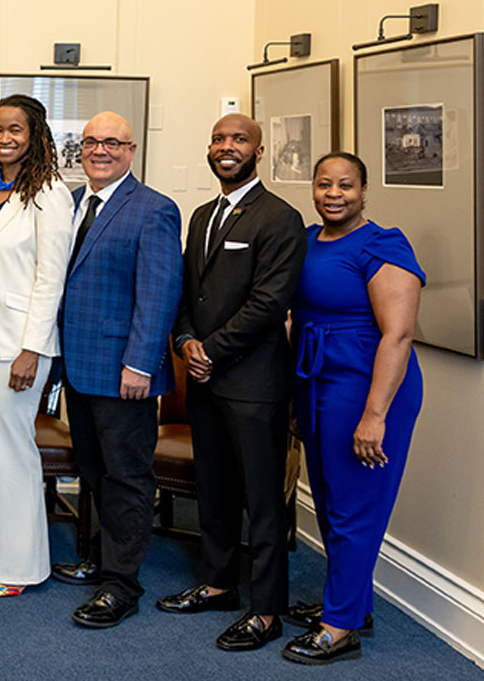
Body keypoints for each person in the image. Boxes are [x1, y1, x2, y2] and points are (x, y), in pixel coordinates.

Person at [158, 113, 307, 650]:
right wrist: (184, 343)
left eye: (238, 139)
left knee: (261, 500)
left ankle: (266, 611)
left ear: (259, 152)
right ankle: (218, 583)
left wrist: (211, 351)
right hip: (203, 380)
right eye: (219, 138)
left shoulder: (280, 217)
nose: (226, 146)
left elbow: (270, 303)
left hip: (254, 385)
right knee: (214, 490)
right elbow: (186, 291)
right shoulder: (201, 216)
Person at [281, 152, 424, 665]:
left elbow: (399, 333)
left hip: (366, 385)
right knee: (327, 500)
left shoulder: (382, 243)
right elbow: (297, 315)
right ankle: (351, 604)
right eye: (324, 185)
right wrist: (299, 400)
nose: (334, 194)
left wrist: (375, 414)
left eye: (345, 185)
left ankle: (339, 627)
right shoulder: (306, 241)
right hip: (317, 381)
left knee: (354, 507)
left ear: (364, 191)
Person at [54, 111, 183, 627]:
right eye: (90, 142)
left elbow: (159, 293)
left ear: (131, 150)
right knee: (93, 469)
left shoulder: (153, 209)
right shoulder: (73, 203)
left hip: (123, 371)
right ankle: (100, 558)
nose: (99, 150)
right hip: (80, 367)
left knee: (127, 476)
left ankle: (121, 586)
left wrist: (140, 363)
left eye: (111, 142)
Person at [0, 95, 73, 597]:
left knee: (14, 451)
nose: (4, 138)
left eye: (15, 130)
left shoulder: (50, 194)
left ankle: (22, 566)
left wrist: (33, 348)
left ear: (35, 135)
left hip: (16, 344)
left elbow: (51, 279)